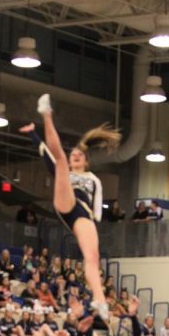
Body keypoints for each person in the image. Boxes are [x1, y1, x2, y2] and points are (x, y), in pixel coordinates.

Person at [21, 96, 120, 321]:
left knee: (92, 257)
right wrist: (32, 133)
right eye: (73, 153)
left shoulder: (94, 179)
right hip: (66, 202)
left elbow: (97, 207)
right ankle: (46, 115)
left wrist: (93, 228)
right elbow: (46, 153)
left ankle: (99, 299)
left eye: (78, 155)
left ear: (85, 161)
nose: (74, 156)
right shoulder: (67, 171)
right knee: (59, 164)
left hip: (83, 215)